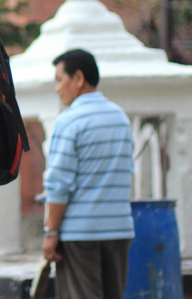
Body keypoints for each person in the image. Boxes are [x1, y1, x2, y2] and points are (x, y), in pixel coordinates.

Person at [42, 49, 135, 299]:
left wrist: (51, 233)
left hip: (80, 235)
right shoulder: (121, 119)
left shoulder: (69, 121)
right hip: (119, 230)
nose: (57, 89)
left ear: (79, 78)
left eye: (60, 80)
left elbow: (59, 184)